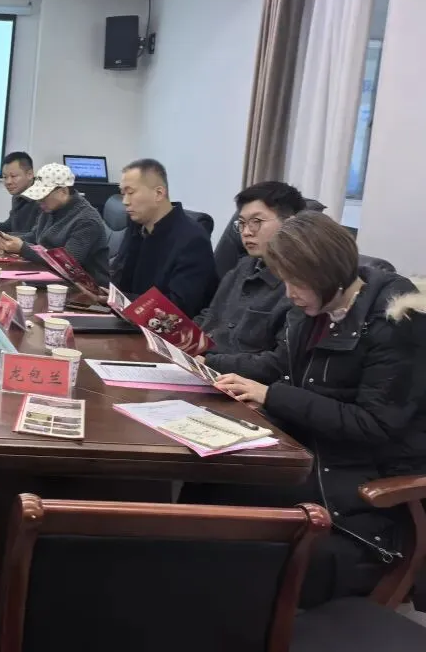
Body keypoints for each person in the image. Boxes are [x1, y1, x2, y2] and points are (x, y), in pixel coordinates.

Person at [202, 212, 425, 607]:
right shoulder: (316, 309)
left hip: (360, 495)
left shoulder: (396, 324)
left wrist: (273, 397)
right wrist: (207, 363)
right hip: (317, 459)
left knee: (236, 542)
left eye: (297, 282)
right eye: (285, 280)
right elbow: (278, 364)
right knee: (209, 486)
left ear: (328, 273)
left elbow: (373, 424)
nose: (289, 293)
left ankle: (237, 618)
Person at [198, 182, 306, 376]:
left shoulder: (300, 285)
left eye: (256, 221)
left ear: (290, 223)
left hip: (239, 382)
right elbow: (210, 317)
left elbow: (279, 364)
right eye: (241, 223)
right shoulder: (243, 266)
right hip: (203, 367)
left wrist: (209, 362)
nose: (246, 232)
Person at [112, 158, 217, 317]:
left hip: (164, 327)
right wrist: (107, 297)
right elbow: (121, 279)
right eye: (123, 193)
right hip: (129, 318)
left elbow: (178, 307)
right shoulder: (137, 225)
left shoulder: (193, 239)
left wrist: (128, 304)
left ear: (159, 193)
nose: (125, 202)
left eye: (131, 192)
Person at [0, 162, 110, 286]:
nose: (39, 200)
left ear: (63, 191)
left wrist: (22, 248)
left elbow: (67, 264)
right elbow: (35, 236)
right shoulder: (51, 208)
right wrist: (6, 238)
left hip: (85, 288)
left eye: (43, 195)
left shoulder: (87, 220)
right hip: (53, 276)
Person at [0, 151, 39, 234]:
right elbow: (10, 226)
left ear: (29, 174)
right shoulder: (17, 196)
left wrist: (0, 236)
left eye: (13, 176)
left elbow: (35, 236)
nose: (8, 182)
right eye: (5, 177)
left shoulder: (42, 198)